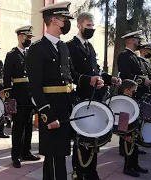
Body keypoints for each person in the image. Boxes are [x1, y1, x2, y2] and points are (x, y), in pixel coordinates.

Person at [26, 2, 104, 180]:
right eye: (65, 19)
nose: (67, 23)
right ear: (54, 20)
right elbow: (35, 87)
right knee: (53, 155)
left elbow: (71, 75)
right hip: (52, 108)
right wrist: (47, 113)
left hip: (67, 105)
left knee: (61, 153)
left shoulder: (62, 46)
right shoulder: (37, 49)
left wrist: (89, 80)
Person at [67, 12, 121, 180]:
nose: (91, 28)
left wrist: (108, 78)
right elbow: (70, 74)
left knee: (94, 136)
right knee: (81, 138)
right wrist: (88, 80)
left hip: (95, 98)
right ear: (79, 25)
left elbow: (96, 70)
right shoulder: (69, 46)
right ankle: (79, 172)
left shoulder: (90, 47)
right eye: (88, 25)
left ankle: (91, 172)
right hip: (80, 99)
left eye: (93, 25)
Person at [3, 25, 40, 168]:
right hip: (18, 95)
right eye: (27, 37)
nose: (29, 40)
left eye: (30, 38)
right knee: (18, 127)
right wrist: (10, 97)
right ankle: (16, 155)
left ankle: (26, 152)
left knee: (29, 125)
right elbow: (6, 77)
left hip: (30, 95)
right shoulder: (12, 55)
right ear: (19, 37)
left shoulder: (31, 54)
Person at [117, 30, 149, 156]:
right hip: (127, 95)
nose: (139, 42)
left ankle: (132, 147)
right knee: (125, 123)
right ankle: (124, 148)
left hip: (135, 94)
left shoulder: (133, 56)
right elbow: (125, 76)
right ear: (130, 41)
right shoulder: (125, 55)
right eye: (137, 40)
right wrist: (142, 80)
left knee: (134, 124)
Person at [118, 79, 148, 177]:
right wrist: (124, 135)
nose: (135, 92)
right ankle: (127, 168)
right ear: (126, 90)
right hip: (127, 130)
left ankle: (135, 165)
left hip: (133, 128)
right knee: (128, 150)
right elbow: (122, 120)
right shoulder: (123, 101)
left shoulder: (130, 98)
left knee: (134, 149)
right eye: (133, 90)